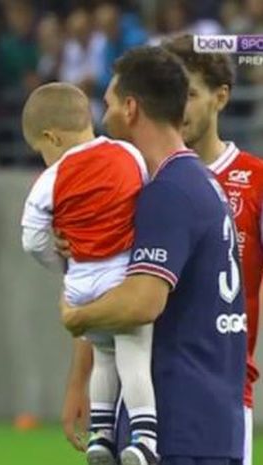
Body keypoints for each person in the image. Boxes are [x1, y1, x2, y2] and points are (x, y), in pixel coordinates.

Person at [61, 46, 247, 465]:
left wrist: (77, 315)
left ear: (130, 108)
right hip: (209, 422)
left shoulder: (169, 192)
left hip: (177, 424)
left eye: (107, 104)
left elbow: (142, 303)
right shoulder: (197, 180)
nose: (102, 117)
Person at [20, 82, 154, 465]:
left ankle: (101, 436)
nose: (44, 158)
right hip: (121, 274)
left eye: (41, 150)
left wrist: (61, 262)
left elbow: (31, 238)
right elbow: (146, 198)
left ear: (51, 136)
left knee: (103, 356)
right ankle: (144, 439)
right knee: (133, 355)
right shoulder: (127, 153)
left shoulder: (51, 178)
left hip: (81, 281)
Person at [163, 34, 263, 465]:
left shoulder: (256, 181)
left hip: (223, 393)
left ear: (220, 97)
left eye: (189, 94)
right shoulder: (144, 179)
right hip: (148, 392)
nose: (177, 107)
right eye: (169, 94)